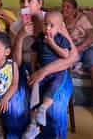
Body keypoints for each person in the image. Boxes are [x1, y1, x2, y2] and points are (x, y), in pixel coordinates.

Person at [9, 0, 78, 139]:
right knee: (14, 108)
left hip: (55, 70)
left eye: (29, 1)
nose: (24, 5)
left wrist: (43, 71)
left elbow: (73, 56)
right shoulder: (16, 25)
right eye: (21, 1)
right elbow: (15, 64)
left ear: (40, 3)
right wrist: (20, 36)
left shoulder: (53, 21)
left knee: (54, 111)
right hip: (26, 70)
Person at [23, 11, 73, 139]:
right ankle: (33, 125)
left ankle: (44, 107)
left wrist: (52, 44)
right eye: (46, 24)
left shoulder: (61, 39)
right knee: (34, 93)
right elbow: (34, 53)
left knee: (53, 88)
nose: (48, 28)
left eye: (52, 26)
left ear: (60, 27)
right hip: (41, 71)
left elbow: (66, 55)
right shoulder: (40, 37)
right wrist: (34, 69)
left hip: (58, 72)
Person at [62, 0, 93, 123]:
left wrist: (80, 48)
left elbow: (92, 35)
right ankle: (66, 102)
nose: (64, 9)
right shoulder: (60, 21)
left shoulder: (81, 18)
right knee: (64, 66)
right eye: (63, 6)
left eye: (68, 7)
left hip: (89, 47)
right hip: (73, 50)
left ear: (75, 9)